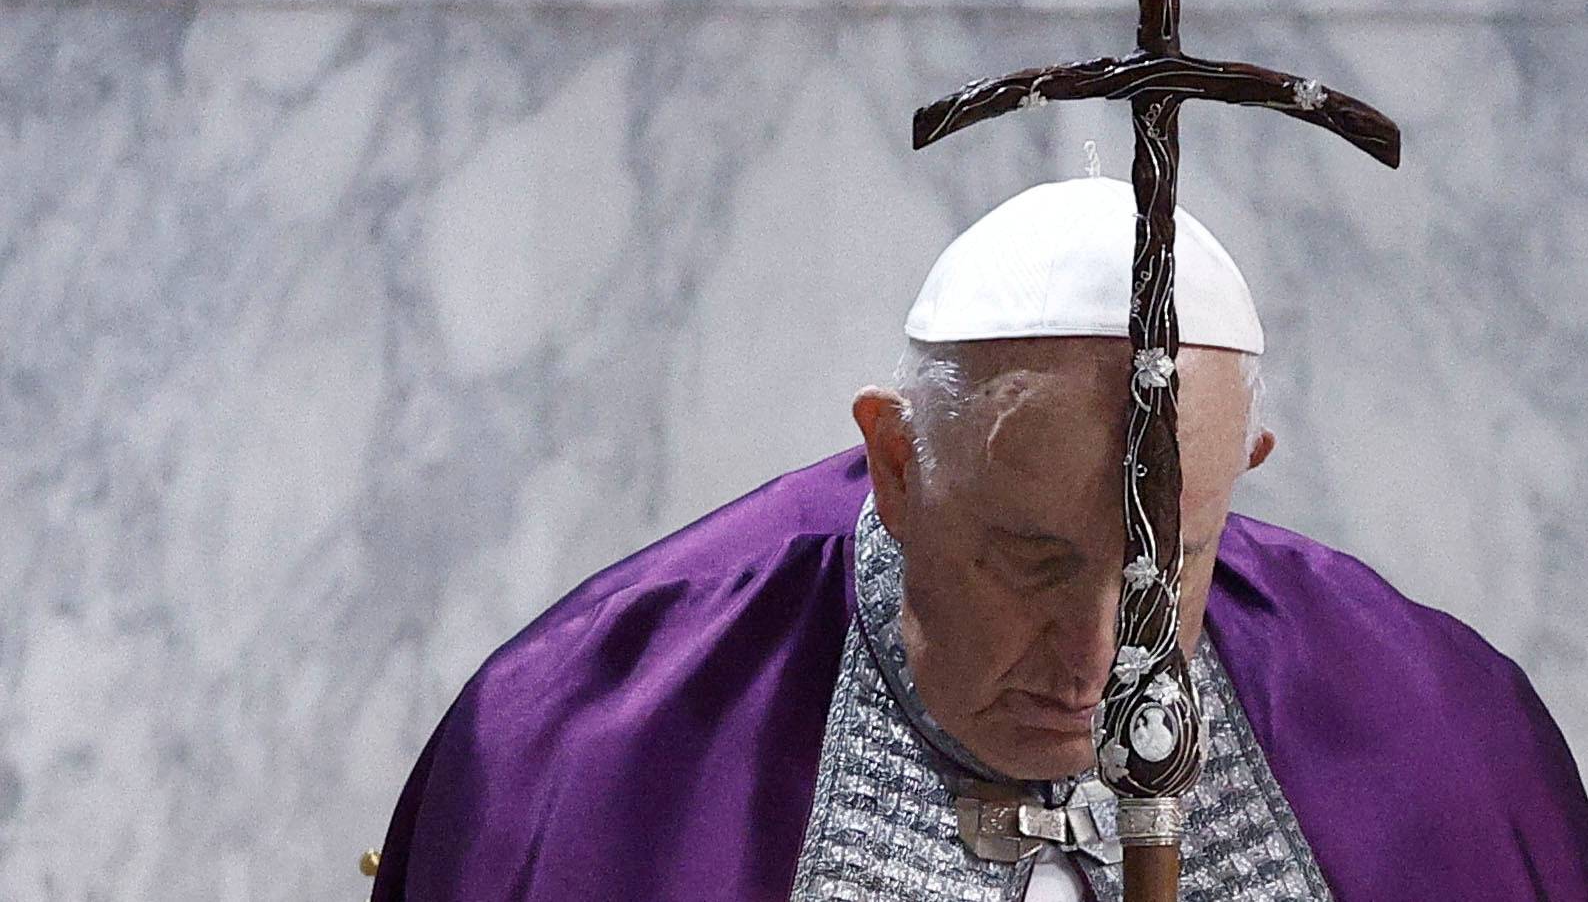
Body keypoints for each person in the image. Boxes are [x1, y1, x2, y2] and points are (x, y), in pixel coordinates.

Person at [369, 177, 1588, 901]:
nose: (1100, 660)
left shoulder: (1442, 732)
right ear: (896, 462)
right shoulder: (592, 739)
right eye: (1033, 561)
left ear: (1243, 476)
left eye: (1171, 563)